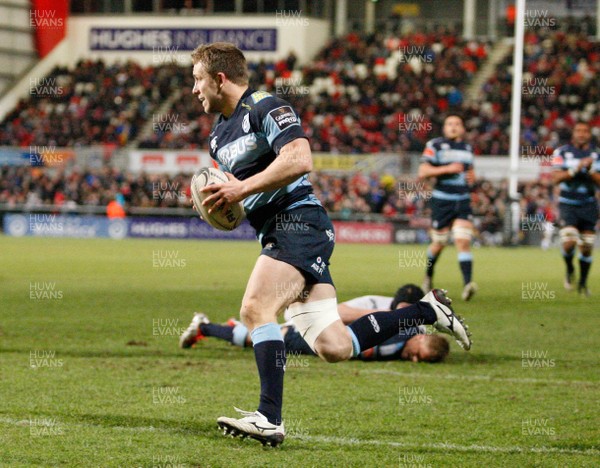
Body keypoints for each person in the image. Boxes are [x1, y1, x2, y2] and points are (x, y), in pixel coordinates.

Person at [191, 42, 471, 447]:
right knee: (334, 346)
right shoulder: (218, 136)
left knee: (255, 308)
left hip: (299, 223)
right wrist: (221, 203)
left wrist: (241, 190)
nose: (195, 89)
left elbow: (299, 159)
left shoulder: (267, 108)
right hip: (276, 231)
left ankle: (269, 418)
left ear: (219, 78)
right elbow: (237, 196)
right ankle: (426, 310)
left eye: (198, 79)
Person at [179, 284, 450, 363]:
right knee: (261, 338)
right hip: (323, 331)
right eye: (418, 354)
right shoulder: (393, 322)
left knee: (261, 338)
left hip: (325, 346)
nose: (413, 359)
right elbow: (340, 311)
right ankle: (205, 327)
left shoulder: (404, 342)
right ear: (422, 338)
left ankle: (208, 327)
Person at [418, 115, 477, 301]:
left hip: (462, 200)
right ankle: (428, 275)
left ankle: (468, 284)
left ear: (463, 129)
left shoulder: (468, 148)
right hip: (442, 201)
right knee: (439, 243)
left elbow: (470, 172)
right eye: (450, 124)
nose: (453, 127)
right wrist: (447, 169)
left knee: (463, 240)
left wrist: (472, 177)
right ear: (444, 128)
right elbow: (423, 172)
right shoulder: (435, 145)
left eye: (457, 124)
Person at [551, 121, 600, 296]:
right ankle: (570, 268)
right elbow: (555, 179)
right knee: (570, 241)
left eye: (585, 131)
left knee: (586, 246)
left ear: (589, 134)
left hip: (588, 204)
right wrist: (575, 169)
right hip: (567, 203)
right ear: (573, 133)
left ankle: (583, 283)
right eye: (578, 130)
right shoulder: (562, 152)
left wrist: (590, 170)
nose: (581, 134)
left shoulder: (596, 154)